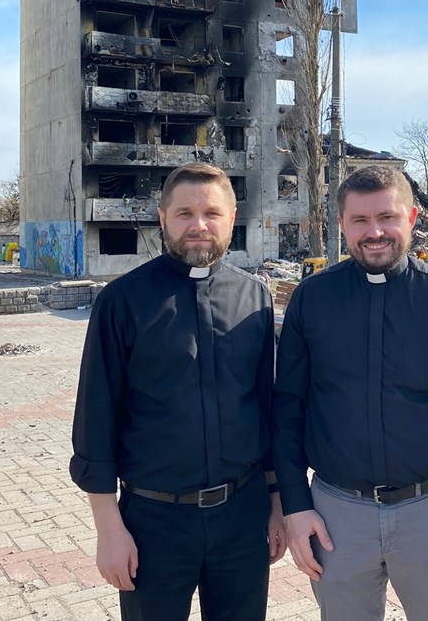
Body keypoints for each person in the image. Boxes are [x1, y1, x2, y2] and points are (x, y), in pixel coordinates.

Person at [274, 165, 428, 620]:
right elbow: (287, 411)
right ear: (341, 223)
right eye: (359, 220)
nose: (374, 232)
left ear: (412, 217)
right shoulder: (311, 300)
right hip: (337, 514)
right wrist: (295, 507)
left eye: (387, 218)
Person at [71, 162, 285, 621]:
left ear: (233, 218)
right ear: (162, 216)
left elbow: (267, 409)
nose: (199, 226)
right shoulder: (122, 302)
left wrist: (275, 504)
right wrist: (108, 529)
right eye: (185, 213)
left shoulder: (255, 299)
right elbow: (96, 418)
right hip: (154, 520)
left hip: (242, 515)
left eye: (212, 213)